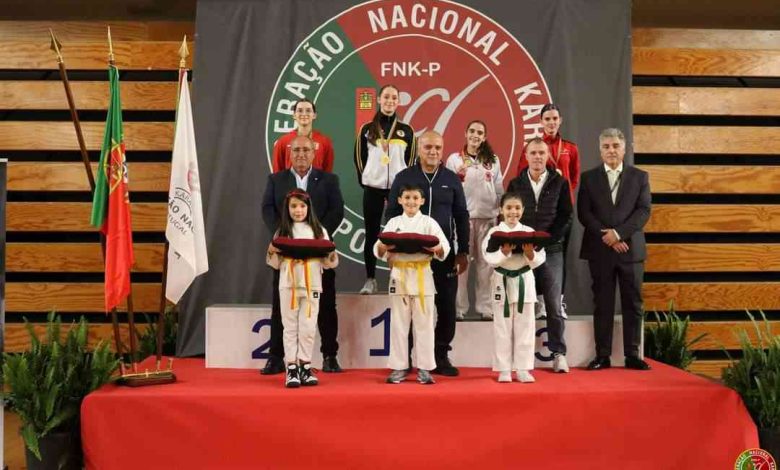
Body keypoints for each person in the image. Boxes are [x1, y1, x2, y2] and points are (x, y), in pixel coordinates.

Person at [385, 130, 469, 376]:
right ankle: (405, 360)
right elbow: (390, 214)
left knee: (446, 307)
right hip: (408, 257)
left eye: (437, 148)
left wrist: (462, 251)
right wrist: (390, 250)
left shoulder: (451, 179)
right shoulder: (404, 177)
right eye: (428, 147)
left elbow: (462, 216)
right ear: (419, 149)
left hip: (442, 254)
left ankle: (440, 355)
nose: (433, 152)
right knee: (408, 310)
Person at [261, 135, 345, 375]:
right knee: (281, 307)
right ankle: (276, 357)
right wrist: (283, 236)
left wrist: (316, 238)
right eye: (296, 149)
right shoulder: (276, 180)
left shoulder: (329, 180)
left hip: (318, 256)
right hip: (286, 255)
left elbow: (336, 210)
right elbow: (267, 209)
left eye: (305, 150)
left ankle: (329, 355)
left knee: (326, 305)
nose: (300, 154)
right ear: (289, 152)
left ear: (314, 153)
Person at [578, 128, 651, 371]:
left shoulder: (640, 177)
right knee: (603, 304)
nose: (611, 150)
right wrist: (608, 237)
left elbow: (643, 211)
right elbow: (584, 213)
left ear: (625, 148)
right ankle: (602, 356)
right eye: (606, 146)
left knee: (633, 303)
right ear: (600, 150)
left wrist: (619, 234)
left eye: (615, 146)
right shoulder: (588, 178)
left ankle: (632, 355)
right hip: (600, 251)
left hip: (630, 251)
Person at [507, 138, 573, 373]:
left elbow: (566, 216)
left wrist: (545, 242)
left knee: (554, 304)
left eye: (541, 153)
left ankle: (558, 353)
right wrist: (524, 243)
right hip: (522, 252)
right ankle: (519, 355)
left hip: (551, 251)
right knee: (521, 305)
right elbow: (509, 216)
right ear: (526, 156)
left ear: (548, 156)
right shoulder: (515, 183)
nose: (537, 157)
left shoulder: (560, 182)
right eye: (533, 153)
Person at [374, 184, 450, 385]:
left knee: (424, 324)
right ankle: (399, 367)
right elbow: (379, 247)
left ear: (422, 201)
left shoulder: (429, 223)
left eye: (415, 198)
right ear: (399, 200)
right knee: (399, 324)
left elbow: (444, 248)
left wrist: (436, 248)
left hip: (422, 274)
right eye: (406, 197)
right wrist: (383, 247)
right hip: (399, 275)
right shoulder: (393, 222)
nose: (411, 201)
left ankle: (425, 368)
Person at [267, 189, 339, 387]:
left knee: (308, 326)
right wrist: (272, 250)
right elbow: (274, 262)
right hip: (288, 282)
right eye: (293, 206)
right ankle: (291, 367)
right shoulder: (282, 231)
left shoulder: (319, 231)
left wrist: (331, 254)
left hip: (312, 282)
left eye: (302, 206)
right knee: (290, 326)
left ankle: (305, 366)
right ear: (287, 208)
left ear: (309, 207)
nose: (298, 210)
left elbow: (329, 263)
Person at [518, 103, 580, 319]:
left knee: (558, 256)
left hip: (561, 210)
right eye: (547, 119)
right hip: (537, 212)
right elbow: (520, 177)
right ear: (541, 122)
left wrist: (558, 196)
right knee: (532, 256)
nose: (551, 122)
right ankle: (539, 303)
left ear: (560, 120)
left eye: (555, 118)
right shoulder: (533, 147)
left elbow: (573, 178)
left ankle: (558, 301)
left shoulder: (570, 147)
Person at [354, 84, 416, 294]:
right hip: (373, 188)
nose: (390, 101)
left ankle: (397, 279)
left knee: (398, 234)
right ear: (379, 100)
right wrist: (367, 180)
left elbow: (410, 161)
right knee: (372, 233)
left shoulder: (406, 130)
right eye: (386, 97)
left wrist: (402, 185)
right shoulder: (367, 129)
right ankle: (370, 279)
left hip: (397, 191)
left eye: (394, 98)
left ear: (398, 101)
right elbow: (359, 158)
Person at [482, 192, 546, 383]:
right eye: (509, 208)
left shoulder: (528, 230)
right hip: (502, 280)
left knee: (525, 327)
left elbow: (540, 258)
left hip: (523, 280)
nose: (513, 212)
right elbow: (488, 257)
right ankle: (504, 369)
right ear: (501, 210)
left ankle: (523, 368)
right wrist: (503, 253)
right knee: (502, 328)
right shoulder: (494, 233)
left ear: (523, 210)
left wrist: (530, 254)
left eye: (517, 208)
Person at [445, 120, 504, 321]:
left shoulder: (493, 160)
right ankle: (459, 309)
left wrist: (500, 214)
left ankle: (485, 308)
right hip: (463, 219)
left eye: (480, 132)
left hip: (488, 217)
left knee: (486, 266)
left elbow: (498, 188)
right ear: (465, 133)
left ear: (484, 137)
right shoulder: (454, 159)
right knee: (461, 265)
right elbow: (449, 189)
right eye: (472, 131)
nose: (475, 135)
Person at [272, 98, 334, 173]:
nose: (304, 114)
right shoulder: (283, 142)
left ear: (314, 115)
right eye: (300, 110)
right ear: (294, 115)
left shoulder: (325, 142)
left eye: (308, 110)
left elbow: (327, 173)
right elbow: (277, 174)